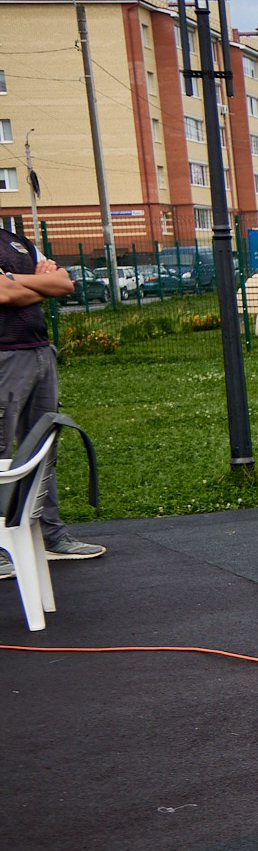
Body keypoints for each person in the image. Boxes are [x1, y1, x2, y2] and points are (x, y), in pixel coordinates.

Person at [0, 219, 104, 582]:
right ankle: (1, 546)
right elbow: (4, 295)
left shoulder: (17, 243)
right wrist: (34, 285)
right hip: (4, 357)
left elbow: (63, 283)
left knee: (43, 448)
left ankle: (50, 535)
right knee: (1, 454)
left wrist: (18, 281)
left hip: (40, 353)